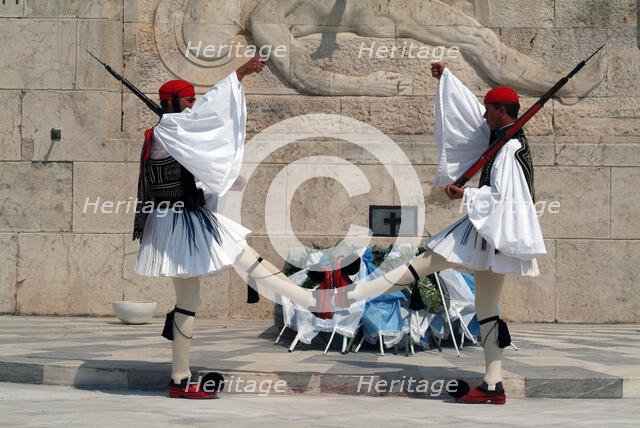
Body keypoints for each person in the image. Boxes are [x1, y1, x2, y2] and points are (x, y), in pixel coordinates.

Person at [346, 62, 546, 404]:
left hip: (488, 231)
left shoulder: (510, 149)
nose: (483, 116)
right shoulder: (503, 140)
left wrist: (464, 194)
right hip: (490, 235)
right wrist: (448, 80)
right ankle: (494, 385)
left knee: (422, 264)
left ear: (501, 111)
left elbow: (503, 197)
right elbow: (466, 118)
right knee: (487, 308)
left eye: (488, 110)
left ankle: (354, 295)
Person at [133, 56, 314, 399]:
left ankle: (309, 300)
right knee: (190, 299)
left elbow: (191, 169)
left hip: (185, 218)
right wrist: (239, 74)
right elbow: (206, 120)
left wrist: (223, 181)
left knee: (241, 256)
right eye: (187, 101)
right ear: (171, 103)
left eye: (193, 102)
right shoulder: (168, 130)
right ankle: (180, 379)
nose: (193, 107)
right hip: (178, 224)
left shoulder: (172, 133)